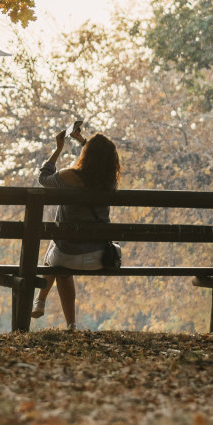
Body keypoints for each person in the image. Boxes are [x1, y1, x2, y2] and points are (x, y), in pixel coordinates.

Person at [33, 122, 121, 329]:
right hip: (100, 257)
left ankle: (43, 302)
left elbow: (43, 179)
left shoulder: (68, 177)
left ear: (86, 155)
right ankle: (69, 324)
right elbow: (99, 161)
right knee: (61, 257)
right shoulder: (110, 183)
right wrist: (82, 140)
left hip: (67, 255)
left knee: (59, 257)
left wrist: (58, 148)